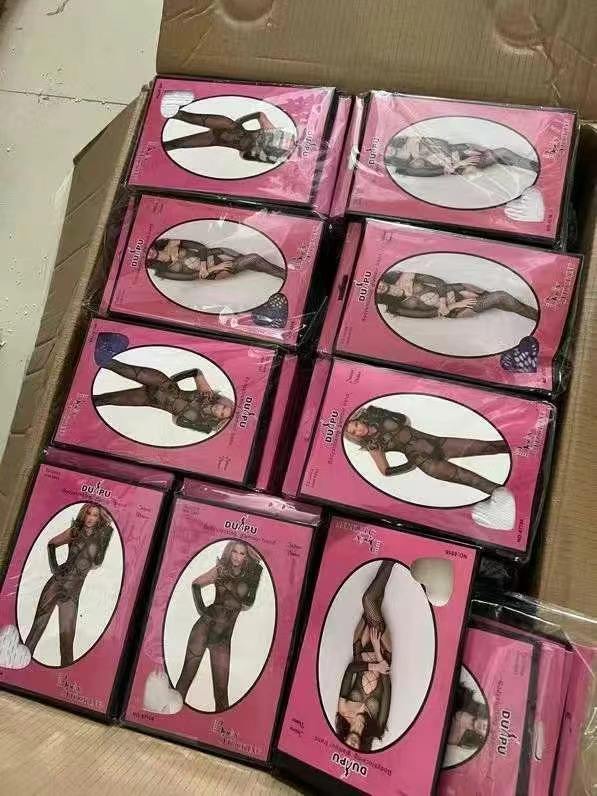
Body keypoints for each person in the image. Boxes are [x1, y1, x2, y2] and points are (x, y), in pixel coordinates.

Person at [344, 404, 509, 500]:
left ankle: (521, 449)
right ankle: (514, 500)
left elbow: (403, 419)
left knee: (488, 446)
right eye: (354, 432)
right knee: (474, 481)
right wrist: (409, 464)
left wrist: (385, 413)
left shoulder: (378, 417)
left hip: (439, 443)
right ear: (355, 437)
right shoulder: (372, 445)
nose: (358, 430)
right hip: (426, 462)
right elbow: (385, 471)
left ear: (359, 420)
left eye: (356, 425)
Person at [175, 541, 263, 711]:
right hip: (203, 629)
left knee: (222, 693)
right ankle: (170, 717)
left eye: (242, 553)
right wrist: (202, 610)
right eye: (234, 552)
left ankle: (218, 726)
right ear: (230, 552)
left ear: (246, 557)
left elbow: (248, 603)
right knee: (184, 681)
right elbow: (196, 584)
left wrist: (256, 571)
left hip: (222, 640)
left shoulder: (251, 574)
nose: (237, 556)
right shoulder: (220, 569)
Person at [93, 332, 234, 436]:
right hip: (162, 383)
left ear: (219, 419)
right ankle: (103, 347)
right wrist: (174, 381)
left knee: (103, 400)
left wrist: (204, 425)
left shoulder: (203, 424)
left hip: (151, 400)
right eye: (223, 407)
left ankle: (104, 347)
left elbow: (177, 421)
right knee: (118, 366)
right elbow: (196, 372)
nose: (219, 409)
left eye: (222, 413)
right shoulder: (207, 394)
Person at [25, 503, 113, 666]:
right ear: (84, 514)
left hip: (72, 594)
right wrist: (55, 568)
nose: (90, 518)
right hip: (56, 584)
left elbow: (97, 562)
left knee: (67, 644)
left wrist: (106, 535)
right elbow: (52, 543)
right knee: (36, 631)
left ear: (99, 518)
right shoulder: (75, 530)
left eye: (95, 515)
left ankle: (63, 678)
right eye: (88, 513)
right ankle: (20, 668)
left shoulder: (103, 535)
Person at [335, 560, 395, 751]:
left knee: (373, 601)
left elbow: (350, 670)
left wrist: (373, 663)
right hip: (383, 651)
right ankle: (393, 556)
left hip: (360, 644)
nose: (352, 746)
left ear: (343, 741)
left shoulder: (343, 711)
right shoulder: (377, 726)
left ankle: (393, 556)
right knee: (369, 600)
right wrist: (378, 652)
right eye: (355, 750)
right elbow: (387, 688)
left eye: (347, 747)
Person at [376, 270, 538, 321]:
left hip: (456, 290)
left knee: (502, 302)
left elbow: (439, 282)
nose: (379, 287)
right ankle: (540, 318)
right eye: (375, 291)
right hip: (455, 310)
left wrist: (443, 302)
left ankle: (538, 318)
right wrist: (453, 305)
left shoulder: (404, 278)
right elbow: (428, 314)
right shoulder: (396, 307)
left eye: (377, 284)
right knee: (500, 297)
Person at [163, 107, 297, 166]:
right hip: (229, 126)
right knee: (185, 116)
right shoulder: (278, 133)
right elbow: (260, 114)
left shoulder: (276, 158)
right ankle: (158, 106)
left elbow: (244, 156)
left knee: (176, 144)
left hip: (220, 140)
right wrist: (240, 122)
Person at [385, 135, 539, 178]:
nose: (388, 150)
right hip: (462, 164)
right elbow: (437, 171)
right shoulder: (408, 168)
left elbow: (445, 145)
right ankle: (537, 168)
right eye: (386, 153)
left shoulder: (412, 141)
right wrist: (459, 163)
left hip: (463, 152)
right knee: (502, 153)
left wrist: (468, 147)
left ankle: (534, 167)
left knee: (502, 156)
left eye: (388, 148)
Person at [147, 238, 285, 282]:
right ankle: (286, 276)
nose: (148, 253)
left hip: (215, 256)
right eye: (145, 256)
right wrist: (214, 268)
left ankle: (285, 275)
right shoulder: (162, 272)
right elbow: (190, 277)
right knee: (253, 258)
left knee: (254, 262)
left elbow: (200, 247)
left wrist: (203, 265)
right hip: (215, 272)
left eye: (146, 250)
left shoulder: (169, 244)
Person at [447, 682, 489, 752]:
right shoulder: (462, 696)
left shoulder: (464, 741)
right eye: (489, 724)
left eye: (488, 732)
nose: (485, 727)